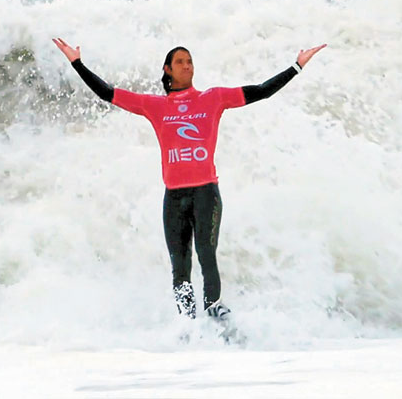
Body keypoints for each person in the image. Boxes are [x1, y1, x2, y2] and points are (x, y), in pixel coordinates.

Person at [53, 38, 326, 320]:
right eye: (180, 62)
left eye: (190, 61)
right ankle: (188, 325)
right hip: (174, 197)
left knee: (207, 256)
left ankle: (214, 314)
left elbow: (261, 91)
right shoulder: (153, 105)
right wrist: (77, 63)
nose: (187, 65)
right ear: (167, 69)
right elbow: (107, 93)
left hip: (206, 192)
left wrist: (296, 66)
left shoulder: (214, 98)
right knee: (180, 267)